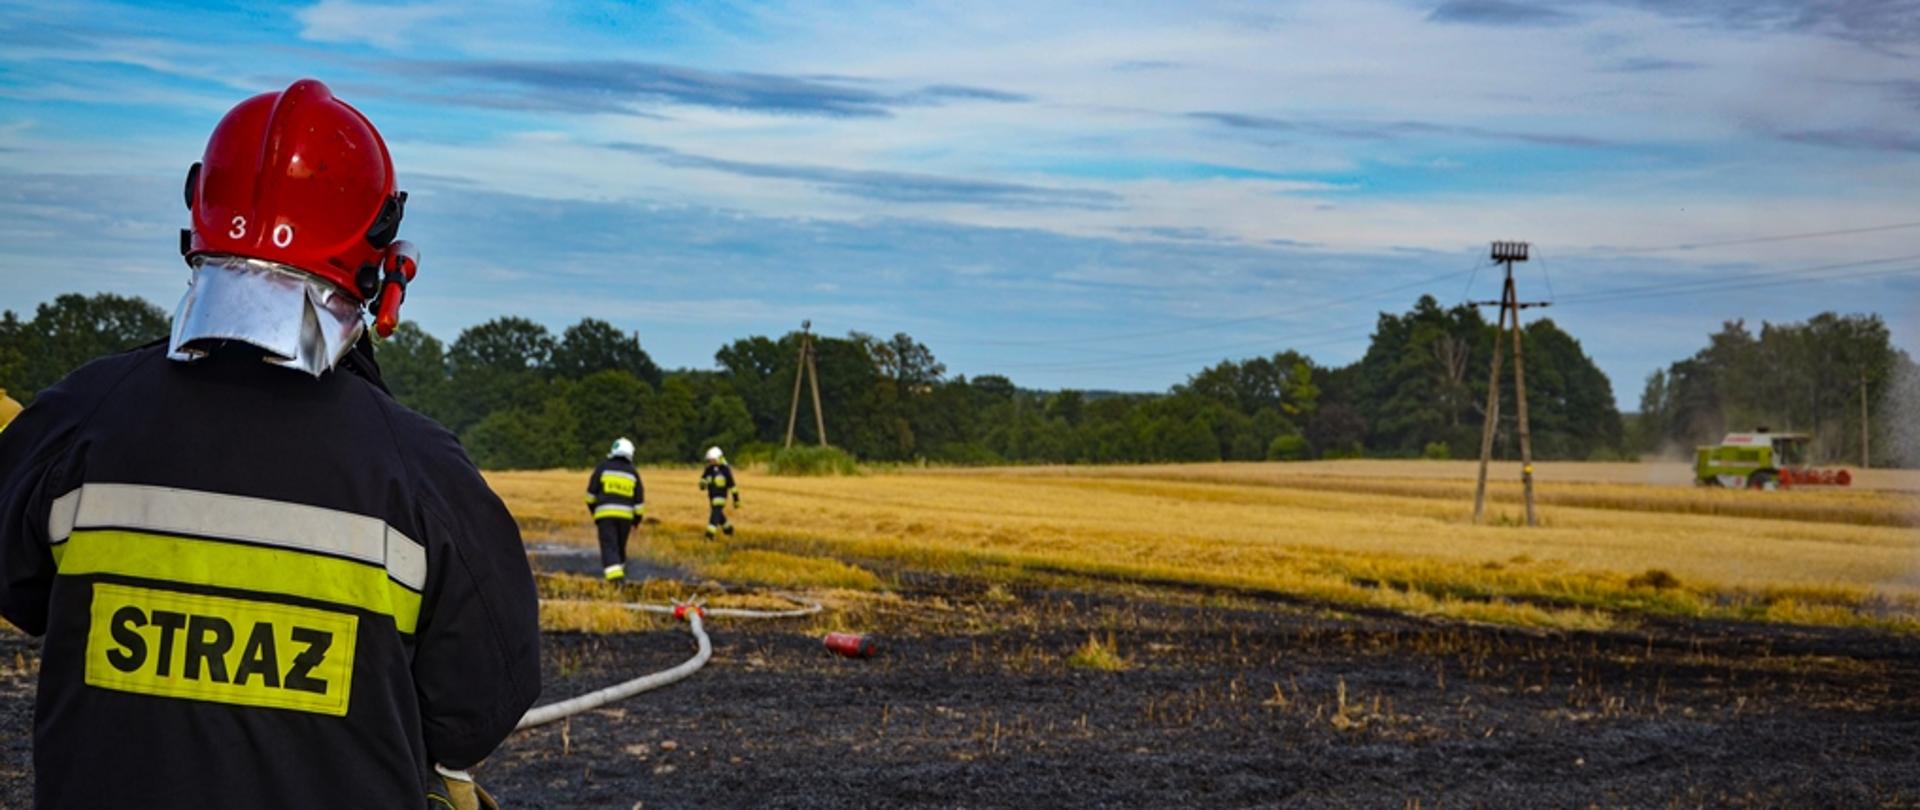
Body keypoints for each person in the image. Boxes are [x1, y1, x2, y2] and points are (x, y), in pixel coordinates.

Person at [0, 79, 541, 810]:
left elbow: (19, 586)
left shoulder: (76, 423)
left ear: (201, 221)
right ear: (381, 261)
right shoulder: (421, 475)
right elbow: (475, 709)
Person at [585, 437, 644, 581]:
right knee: (619, 546)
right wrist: (637, 521)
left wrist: (594, 511)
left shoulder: (602, 468)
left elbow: (590, 495)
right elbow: (639, 502)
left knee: (609, 545)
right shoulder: (633, 473)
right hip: (626, 518)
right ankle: (620, 571)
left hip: (605, 515)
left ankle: (615, 580)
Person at [699, 446, 740, 540]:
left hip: (721, 496)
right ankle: (728, 529)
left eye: (712, 460)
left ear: (717, 458)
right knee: (719, 514)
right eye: (709, 460)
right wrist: (702, 483)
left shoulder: (725, 470)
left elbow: (732, 485)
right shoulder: (709, 469)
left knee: (715, 514)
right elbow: (703, 479)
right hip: (711, 496)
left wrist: (736, 499)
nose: (710, 462)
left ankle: (709, 535)